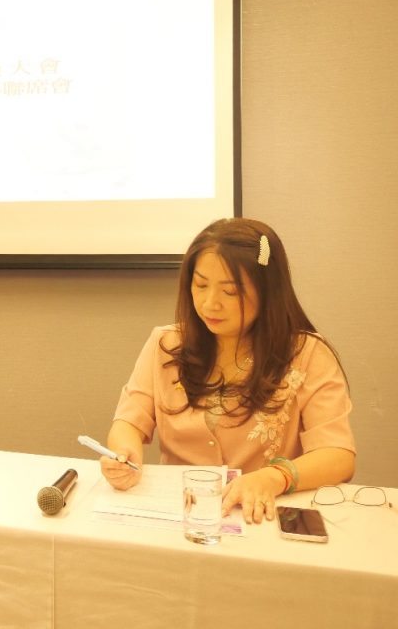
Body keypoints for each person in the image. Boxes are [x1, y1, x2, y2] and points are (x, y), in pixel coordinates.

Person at [101, 218, 354, 524]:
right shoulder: (166, 344)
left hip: (259, 518)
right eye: (200, 285)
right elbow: (129, 421)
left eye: (230, 291)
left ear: (268, 290)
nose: (210, 303)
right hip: (182, 517)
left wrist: (274, 477)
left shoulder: (306, 353)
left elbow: (338, 455)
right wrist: (125, 454)